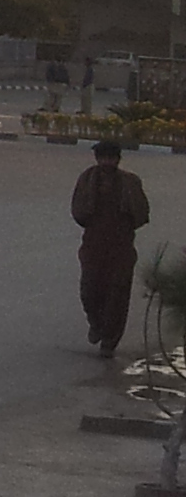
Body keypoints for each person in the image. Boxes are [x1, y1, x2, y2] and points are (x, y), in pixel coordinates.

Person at [70, 137, 150, 358]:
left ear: (117, 160)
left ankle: (109, 341)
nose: (106, 163)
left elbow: (142, 214)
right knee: (89, 289)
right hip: (93, 244)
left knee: (117, 294)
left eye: (110, 158)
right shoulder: (87, 179)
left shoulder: (130, 183)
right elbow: (77, 210)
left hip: (121, 246)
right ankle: (96, 324)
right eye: (102, 158)